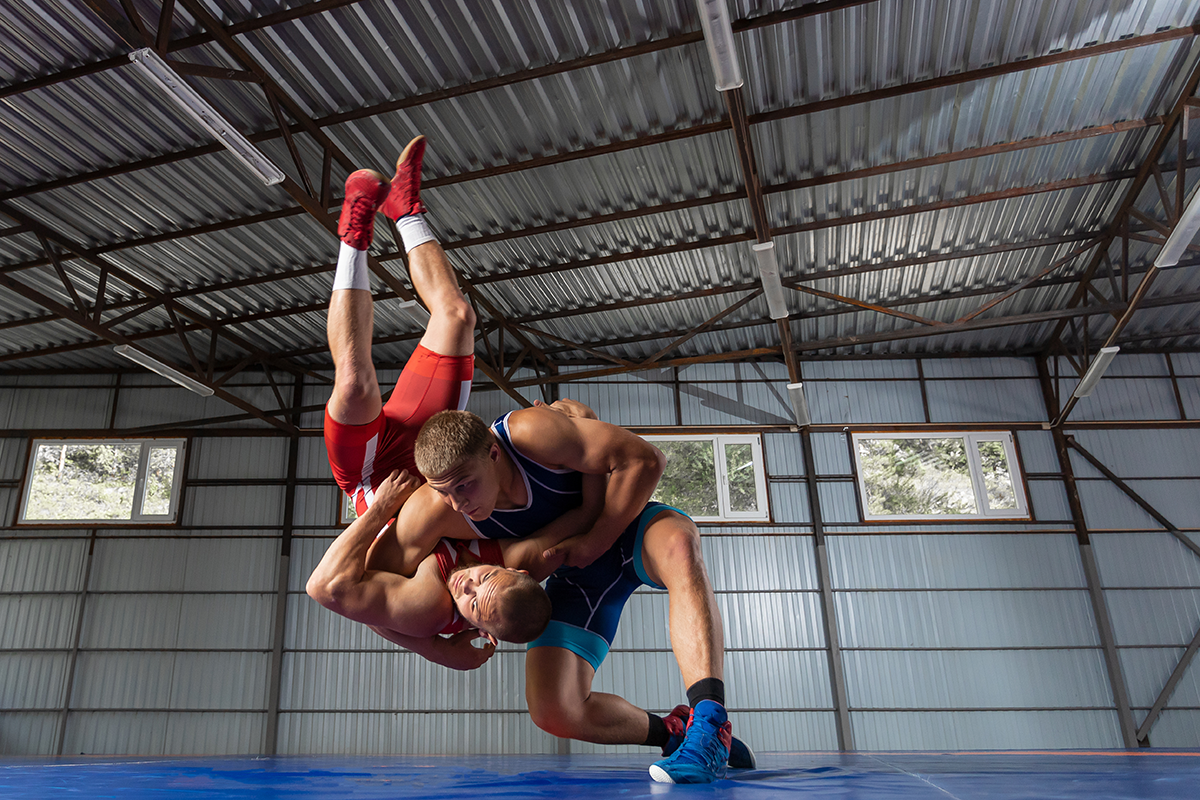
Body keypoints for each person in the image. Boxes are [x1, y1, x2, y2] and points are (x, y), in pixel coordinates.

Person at [412, 407, 751, 784]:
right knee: (553, 710)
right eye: (443, 492)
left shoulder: (527, 433)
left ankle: (709, 724)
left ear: (492, 454)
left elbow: (645, 459)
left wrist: (598, 538)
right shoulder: (433, 510)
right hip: (574, 576)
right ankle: (674, 732)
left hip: (626, 526)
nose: (457, 503)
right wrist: (436, 647)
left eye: (464, 486)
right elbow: (355, 590)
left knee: (680, 544)